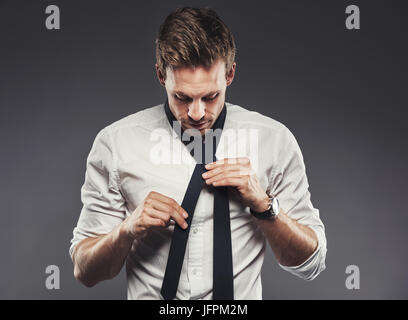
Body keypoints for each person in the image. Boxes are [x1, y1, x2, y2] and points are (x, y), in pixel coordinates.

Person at [69, 6, 327, 300]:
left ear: (229, 74)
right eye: (182, 97)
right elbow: (85, 272)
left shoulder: (274, 140)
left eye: (210, 96)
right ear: (160, 75)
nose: (196, 113)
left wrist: (265, 206)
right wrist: (127, 229)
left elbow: (311, 263)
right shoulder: (116, 143)